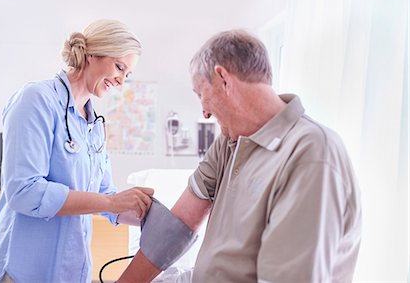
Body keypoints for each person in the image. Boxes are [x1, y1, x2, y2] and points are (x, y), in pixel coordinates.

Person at [117, 30, 362, 283]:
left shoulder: (310, 154)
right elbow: (177, 225)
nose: (205, 112)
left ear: (223, 79)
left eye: (201, 94)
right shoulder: (230, 141)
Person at [0, 19, 154, 283]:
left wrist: (152, 218)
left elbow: (104, 196)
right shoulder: (37, 100)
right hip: (22, 272)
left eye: (127, 74)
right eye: (119, 67)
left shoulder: (93, 125)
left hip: (69, 272)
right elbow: (23, 191)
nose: (121, 81)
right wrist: (110, 202)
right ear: (92, 54)